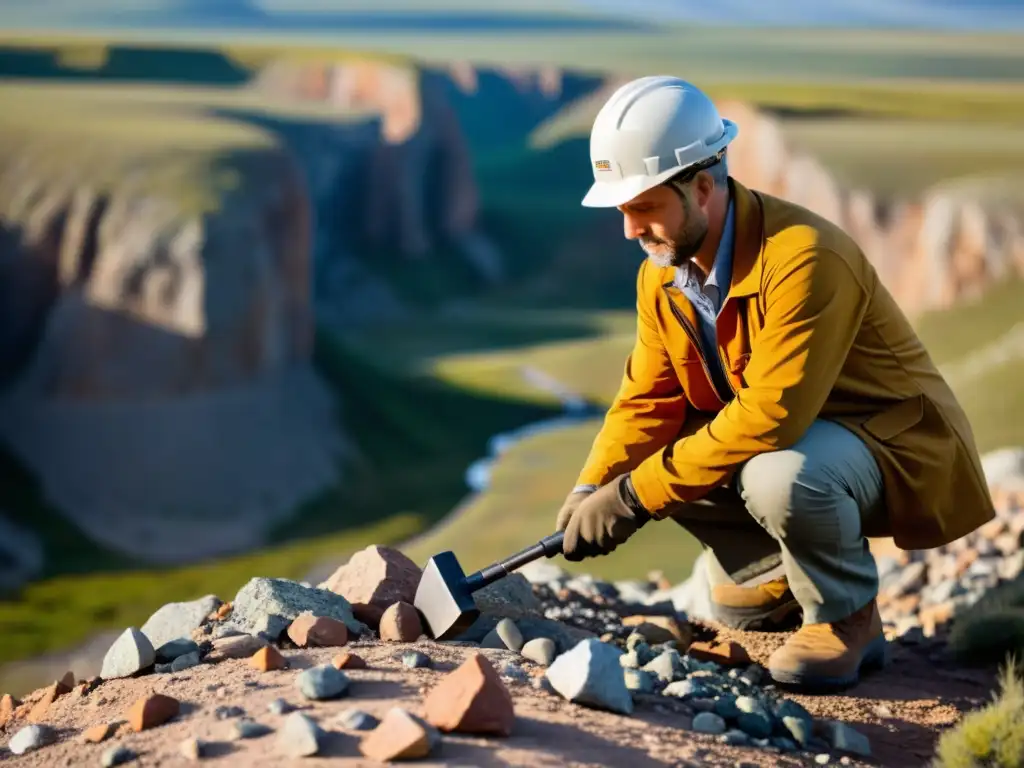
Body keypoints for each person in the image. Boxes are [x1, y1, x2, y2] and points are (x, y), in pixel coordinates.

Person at [555, 75, 996, 691]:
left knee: (778, 473)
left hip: (888, 445)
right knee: (739, 600)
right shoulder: (662, 274)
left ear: (702, 188)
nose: (631, 230)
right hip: (810, 440)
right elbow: (648, 400)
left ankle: (848, 619)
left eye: (643, 207)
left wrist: (632, 497)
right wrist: (592, 486)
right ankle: (780, 578)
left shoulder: (803, 257)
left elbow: (770, 417)